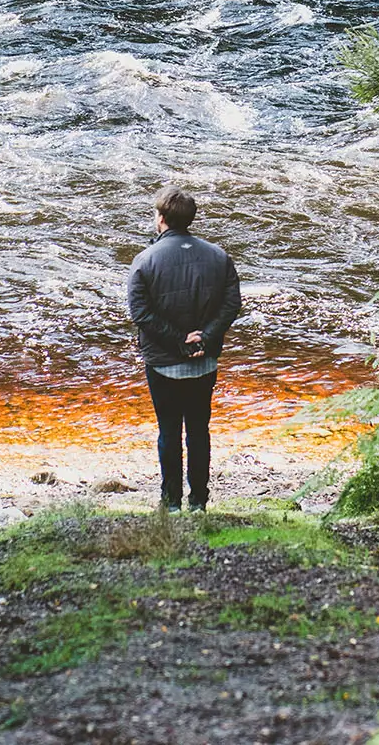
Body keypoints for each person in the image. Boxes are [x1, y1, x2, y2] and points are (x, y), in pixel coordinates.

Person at [125, 185, 241, 513]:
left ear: (160, 219)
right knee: (199, 431)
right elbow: (232, 303)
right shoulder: (218, 256)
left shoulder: (145, 260)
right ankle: (199, 501)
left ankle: (171, 501)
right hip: (204, 362)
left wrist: (178, 341)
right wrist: (204, 338)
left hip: (163, 363)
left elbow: (141, 314)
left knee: (169, 431)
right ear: (190, 218)